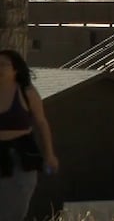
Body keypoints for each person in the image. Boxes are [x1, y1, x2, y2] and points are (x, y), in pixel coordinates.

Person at [0, 50, 58, 221]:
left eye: (3, 65)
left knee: (15, 210)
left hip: (22, 155)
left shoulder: (27, 93)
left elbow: (41, 123)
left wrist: (49, 155)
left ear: (15, 69)